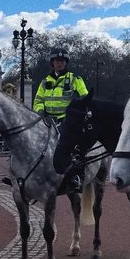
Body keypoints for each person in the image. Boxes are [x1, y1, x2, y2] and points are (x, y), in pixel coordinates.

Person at [35, 48, 88, 190]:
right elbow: (38, 100)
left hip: (67, 120)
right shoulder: (45, 81)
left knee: (73, 148)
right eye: (57, 61)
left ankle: (77, 177)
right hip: (47, 120)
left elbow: (85, 98)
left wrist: (75, 111)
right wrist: (40, 112)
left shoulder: (74, 79)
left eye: (62, 61)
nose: (59, 64)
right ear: (52, 63)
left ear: (66, 63)